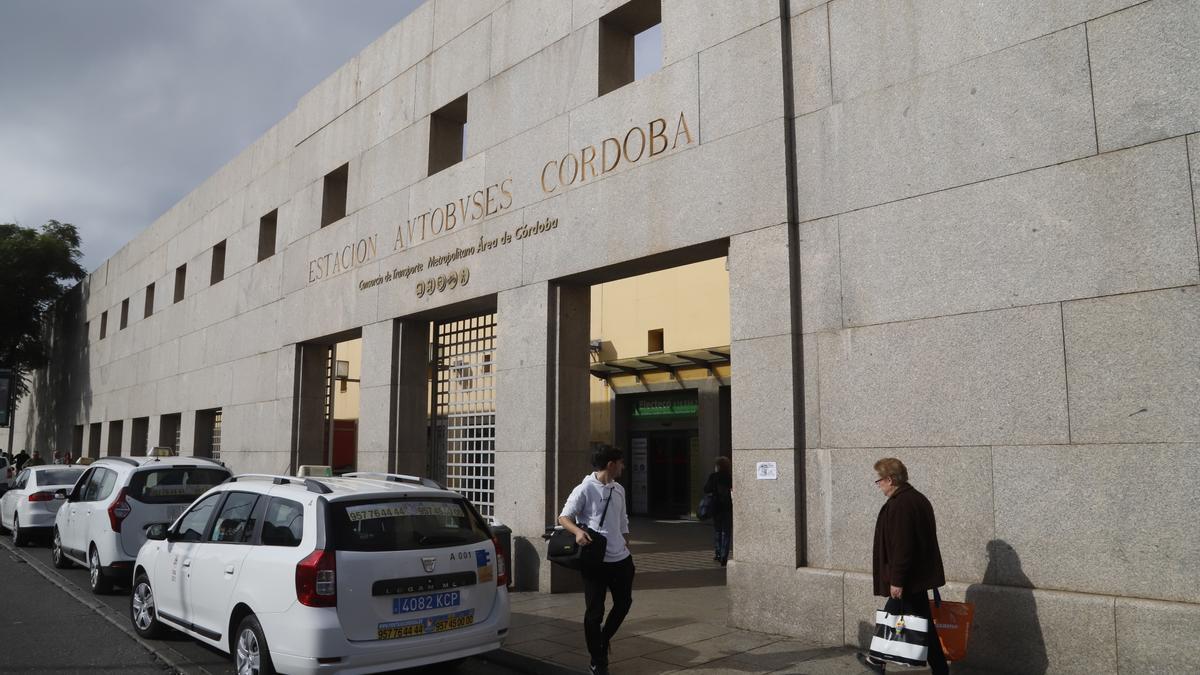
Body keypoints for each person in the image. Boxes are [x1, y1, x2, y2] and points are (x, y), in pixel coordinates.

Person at [858, 458, 948, 674]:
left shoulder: (901, 504)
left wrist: (897, 580)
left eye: (879, 480)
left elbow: (903, 547)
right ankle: (939, 668)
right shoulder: (917, 499)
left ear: (890, 479)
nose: (878, 485)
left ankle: (876, 660)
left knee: (904, 616)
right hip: (917, 576)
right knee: (922, 622)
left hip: (909, 578)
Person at [558, 445, 634, 675]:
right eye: (620, 462)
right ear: (611, 464)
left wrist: (625, 541)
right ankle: (598, 660)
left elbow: (623, 520)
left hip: (621, 559)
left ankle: (602, 639)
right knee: (594, 613)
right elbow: (563, 517)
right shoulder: (584, 489)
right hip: (596, 560)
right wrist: (578, 532)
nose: (623, 466)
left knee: (624, 603)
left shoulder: (618, 489)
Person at [703, 456, 733, 565]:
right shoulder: (730, 477)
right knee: (726, 532)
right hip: (727, 507)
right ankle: (724, 556)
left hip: (716, 507)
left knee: (718, 530)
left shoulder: (714, 476)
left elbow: (706, 489)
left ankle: (718, 553)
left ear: (718, 466)